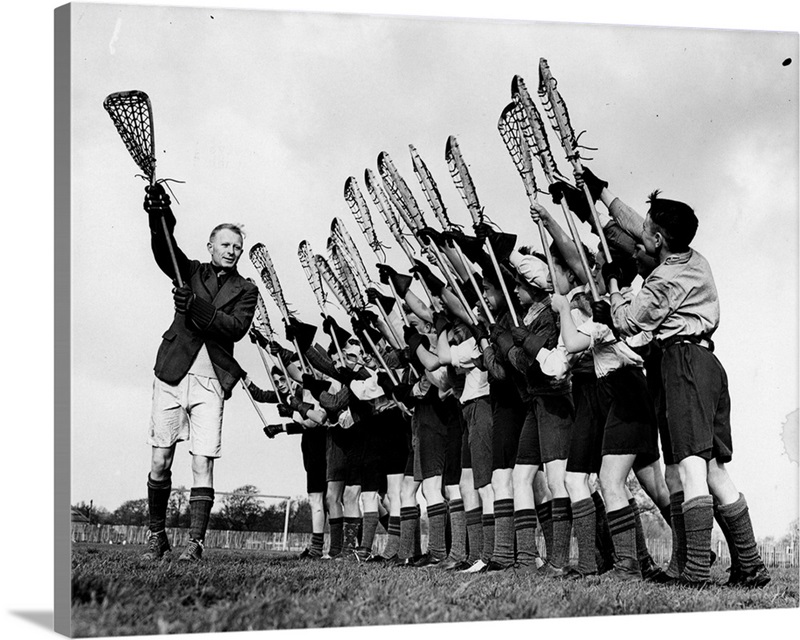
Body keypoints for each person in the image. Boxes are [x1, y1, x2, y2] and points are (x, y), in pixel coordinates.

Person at [602, 187, 770, 588]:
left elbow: (628, 322)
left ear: (659, 240)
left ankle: (694, 570)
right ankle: (750, 566)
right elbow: (637, 230)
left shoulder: (662, 281)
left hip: (683, 365)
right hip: (706, 363)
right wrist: (601, 194)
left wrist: (612, 290)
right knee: (712, 469)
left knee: (690, 468)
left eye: (648, 229)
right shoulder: (694, 259)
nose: (641, 231)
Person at [140, 184, 258, 563]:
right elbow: (165, 250)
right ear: (211, 246)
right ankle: (157, 537)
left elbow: (233, 328)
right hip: (172, 374)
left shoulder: (247, 289)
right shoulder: (188, 270)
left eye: (237, 247)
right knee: (160, 460)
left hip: (212, 382)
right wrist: (159, 215)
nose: (232, 251)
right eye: (225, 245)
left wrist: (196, 307)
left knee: (201, 461)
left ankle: (195, 544)